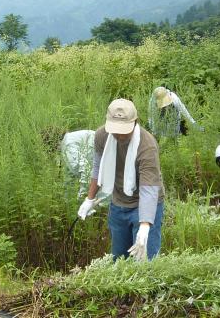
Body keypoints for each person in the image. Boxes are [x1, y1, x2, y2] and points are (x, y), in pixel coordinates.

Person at [77, 98, 165, 261]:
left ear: (135, 122)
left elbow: (149, 188)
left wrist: (145, 226)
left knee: (145, 261)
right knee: (119, 260)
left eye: (124, 130)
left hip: (145, 203)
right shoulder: (102, 136)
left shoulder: (147, 145)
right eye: (115, 129)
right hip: (118, 203)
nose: (119, 134)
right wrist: (89, 199)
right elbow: (98, 168)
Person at [60, 130, 95, 198]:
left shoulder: (67, 145)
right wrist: (66, 198)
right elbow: (70, 173)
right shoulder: (69, 139)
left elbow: (85, 168)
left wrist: (82, 195)